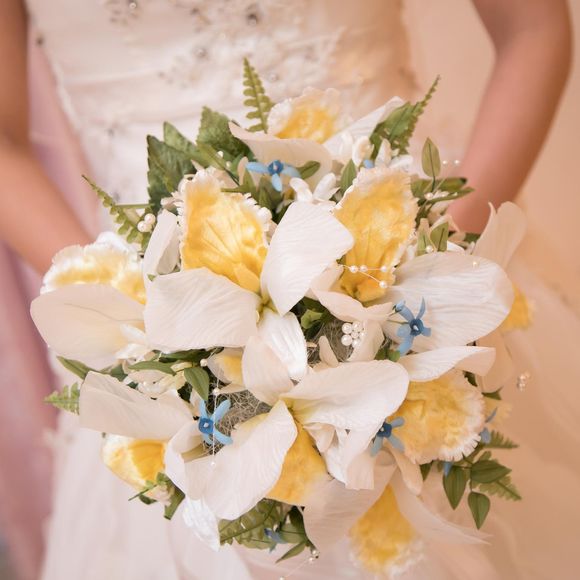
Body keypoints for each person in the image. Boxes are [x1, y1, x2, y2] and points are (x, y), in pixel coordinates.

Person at [0, 0, 574, 578]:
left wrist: (435, 265)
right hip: (162, 336)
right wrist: (129, 313)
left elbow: (532, 27)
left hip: (411, 280)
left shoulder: (426, 276)